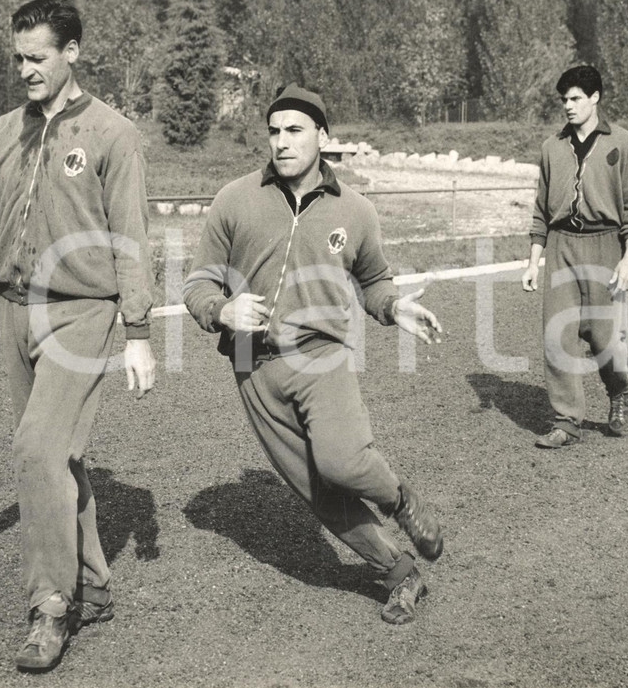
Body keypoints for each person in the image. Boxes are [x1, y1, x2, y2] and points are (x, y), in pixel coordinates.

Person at [0, 0, 156, 672]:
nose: (24, 69)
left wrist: (137, 330)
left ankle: (50, 607)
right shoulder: (3, 131)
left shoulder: (114, 134)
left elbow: (133, 238)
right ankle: (96, 586)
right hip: (13, 311)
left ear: (72, 53)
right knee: (57, 459)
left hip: (82, 312)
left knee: (35, 448)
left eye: (38, 57)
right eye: (17, 57)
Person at [182, 83, 444, 625]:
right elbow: (199, 281)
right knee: (313, 489)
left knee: (342, 462)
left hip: (320, 353)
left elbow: (373, 280)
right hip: (251, 360)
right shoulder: (235, 199)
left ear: (323, 137)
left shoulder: (357, 210)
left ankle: (399, 499)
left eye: (295, 130)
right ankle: (400, 574)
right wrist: (221, 309)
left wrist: (393, 307)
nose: (281, 142)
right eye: (274, 131)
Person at [521, 65, 628, 449]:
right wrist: (533, 261)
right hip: (561, 246)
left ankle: (619, 389)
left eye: (575, 98)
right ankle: (566, 421)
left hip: (606, 244)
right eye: (564, 100)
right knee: (557, 335)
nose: (568, 106)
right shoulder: (551, 147)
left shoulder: (622, 143)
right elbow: (541, 210)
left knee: (605, 337)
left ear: (595, 98)